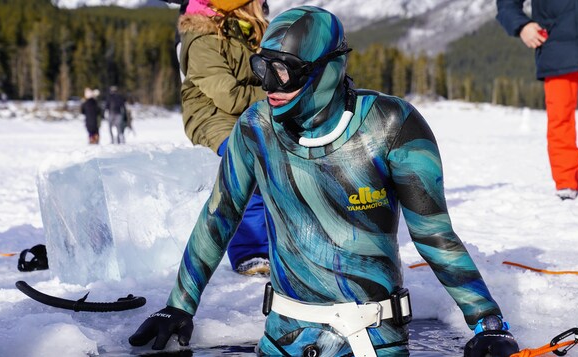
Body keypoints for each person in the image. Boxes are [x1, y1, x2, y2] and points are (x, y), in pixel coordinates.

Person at [129, 6, 520, 356]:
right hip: (284, 337)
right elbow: (220, 216)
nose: (269, 87)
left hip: (372, 339)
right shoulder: (256, 128)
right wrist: (179, 304)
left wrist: (488, 324)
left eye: (283, 71)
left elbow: (434, 234)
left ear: (328, 69)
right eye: (262, 68)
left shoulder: (392, 125)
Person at [177, 0, 270, 275]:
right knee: (247, 160)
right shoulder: (202, 38)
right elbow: (228, 96)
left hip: (253, 113)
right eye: (259, 1)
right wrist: (279, 95)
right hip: (212, 117)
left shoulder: (245, 31)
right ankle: (251, 250)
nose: (265, 5)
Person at [496, 0, 578, 200]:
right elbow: (507, 3)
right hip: (556, 44)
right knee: (560, 118)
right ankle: (566, 181)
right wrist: (522, 25)